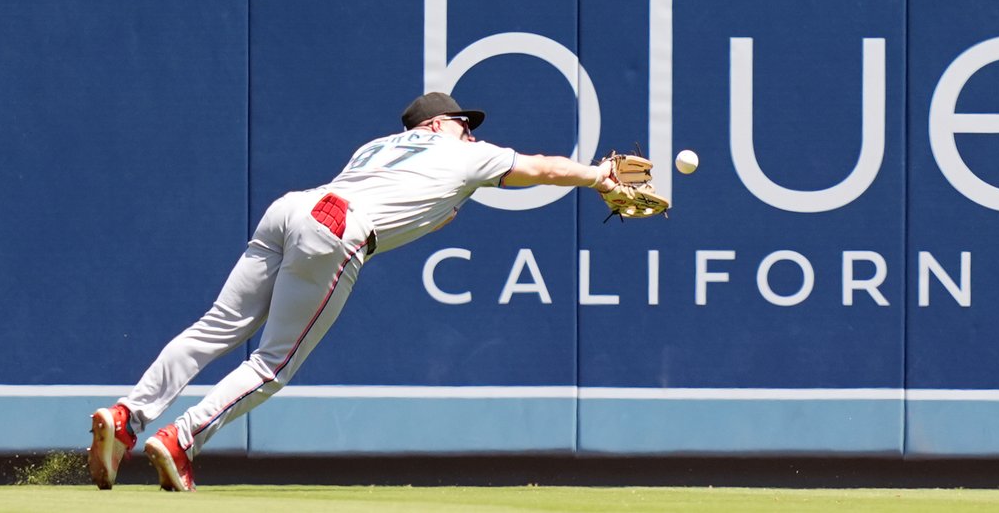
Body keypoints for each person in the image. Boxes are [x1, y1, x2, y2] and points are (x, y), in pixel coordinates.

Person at [86, 91, 629, 491]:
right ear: (439, 124)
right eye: (464, 123)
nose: (471, 131)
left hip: (293, 207)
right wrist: (599, 174)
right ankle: (181, 439)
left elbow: (419, 207)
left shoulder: (378, 147)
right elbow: (539, 167)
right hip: (336, 228)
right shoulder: (465, 153)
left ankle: (127, 416)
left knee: (216, 328)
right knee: (273, 364)